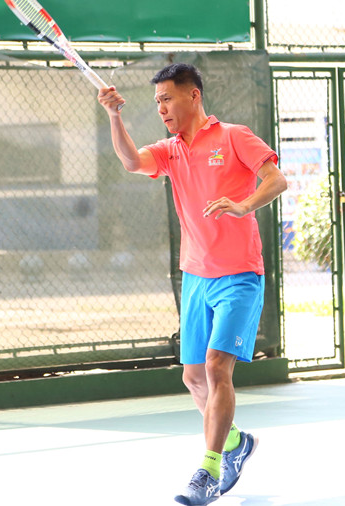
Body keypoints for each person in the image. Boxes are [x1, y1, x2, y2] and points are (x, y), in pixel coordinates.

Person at [97, 63, 287, 505]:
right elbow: (131, 161)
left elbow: (276, 180)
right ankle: (236, 442)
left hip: (239, 275)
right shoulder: (170, 151)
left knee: (217, 367)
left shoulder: (234, 136)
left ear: (193, 95)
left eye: (167, 99)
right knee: (194, 377)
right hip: (196, 276)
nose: (161, 108)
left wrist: (243, 205)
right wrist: (113, 115)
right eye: (157, 102)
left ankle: (208, 472)